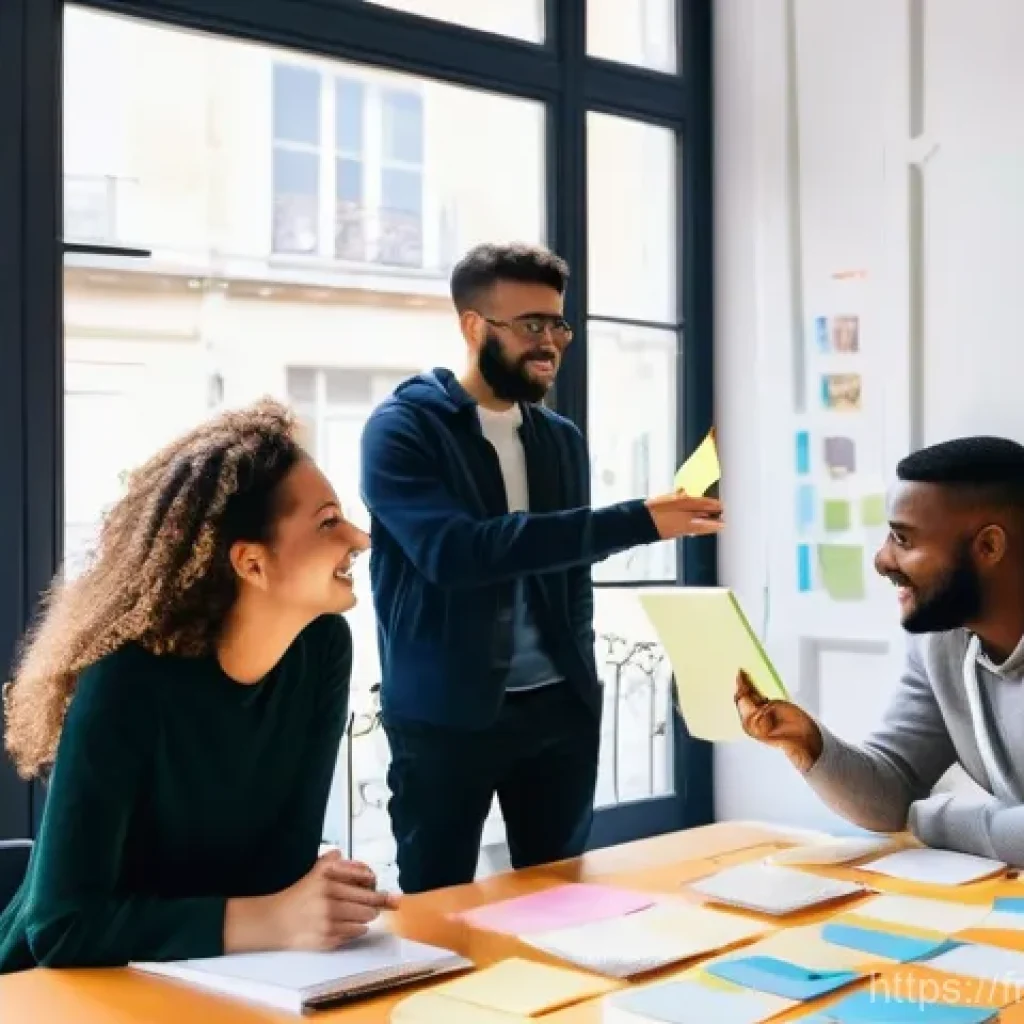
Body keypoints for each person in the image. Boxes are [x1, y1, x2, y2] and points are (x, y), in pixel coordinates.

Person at [360, 242, 724, 894]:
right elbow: (457, 553)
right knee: (436, 902)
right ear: (474, 326)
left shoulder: (560, 438)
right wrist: (637, 519)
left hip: (559, 712)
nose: (550, 341)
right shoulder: (402, 429)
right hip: (445, 718)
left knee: (558, 900)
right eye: (531, 324)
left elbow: (568, 573)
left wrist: (579, 682)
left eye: (558, 324)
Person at [0, 399, 396, 973]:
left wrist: (320, 899)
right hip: (53, 991)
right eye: (328, 522)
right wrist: (276, 918)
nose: (360, 538)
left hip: (213, 976)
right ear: (251, 564)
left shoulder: (323, 648)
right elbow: (61, 928)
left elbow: (281, 871)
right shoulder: (126, 678)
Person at [736, 435, 1024, 865]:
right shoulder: (939, 642)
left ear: (988, 547)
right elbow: (892, 791)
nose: (882, 560)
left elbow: (916, 814)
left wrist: (937, 821)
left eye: (903, 540)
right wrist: (808, 744)